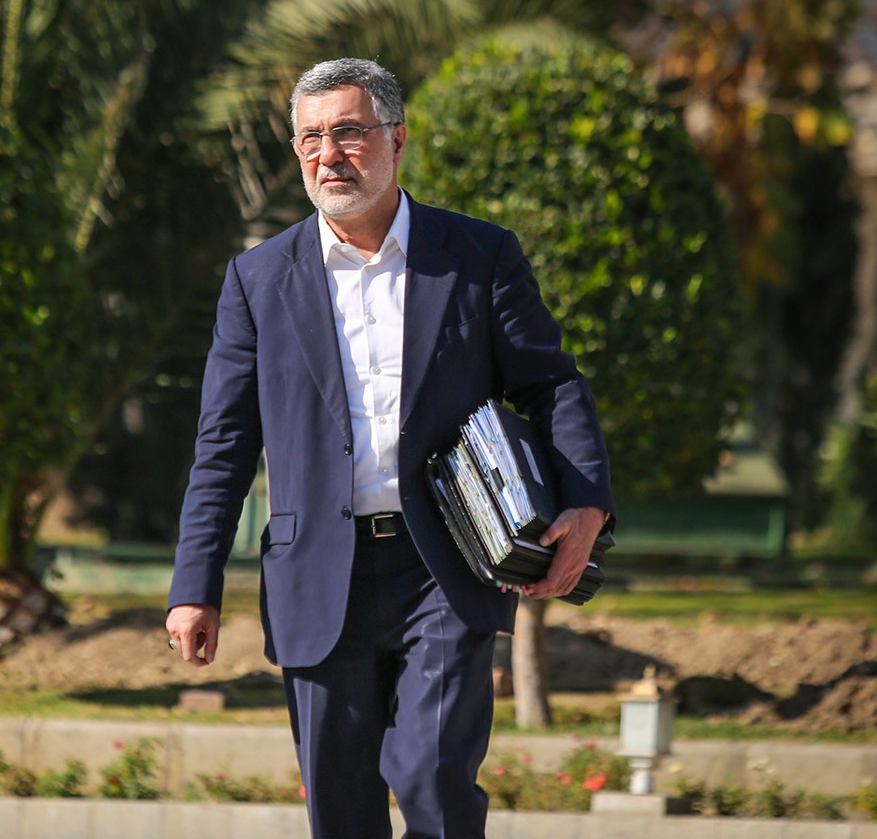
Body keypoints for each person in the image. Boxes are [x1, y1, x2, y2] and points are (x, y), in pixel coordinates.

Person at [166, 57, 613, 839]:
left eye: (348, 132)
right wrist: (194, 585)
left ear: (396, 140)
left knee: (435, 776)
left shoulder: (477, 256)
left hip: (444, 562)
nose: (327, 155)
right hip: (315, 575)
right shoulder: (257, 280)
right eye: (309, 139)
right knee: (341, 812)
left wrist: (586, 502)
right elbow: (224, 443)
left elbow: (550, 382)